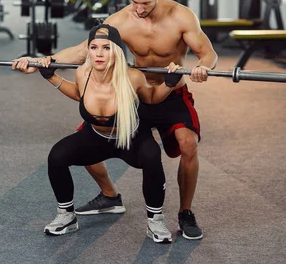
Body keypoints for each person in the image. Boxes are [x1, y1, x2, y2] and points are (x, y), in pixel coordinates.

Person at [13, 0, 218, 240]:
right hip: (134, 92)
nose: (139, 8)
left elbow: (208, 53)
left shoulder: (181, 16)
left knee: (188, 145)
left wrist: (203, 67)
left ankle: (185, 213)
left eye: (145, 3)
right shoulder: (121, 20)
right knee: (86, 137)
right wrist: (43, 61)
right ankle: (110, 196)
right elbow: (83, 51)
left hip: (170, 92)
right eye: (134, 1)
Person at [34, 24, 183, 243]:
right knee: (57, 156)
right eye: (94, 48)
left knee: (152, 157)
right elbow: (78, 94)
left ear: (117, 50)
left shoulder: (132, 77)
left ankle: (155, 221)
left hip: (131, 138)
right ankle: (66, 216)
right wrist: (51, 77)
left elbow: (151, 98)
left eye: (106, 48)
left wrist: (169, 84)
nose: (99, 54)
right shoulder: (83, 73)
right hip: (97, 138)